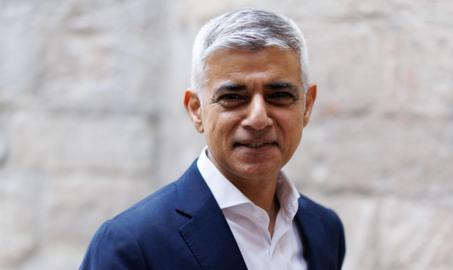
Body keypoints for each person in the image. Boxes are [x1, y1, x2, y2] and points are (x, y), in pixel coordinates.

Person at [80, 8, 345, 270]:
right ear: (196, 110)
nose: (258, 118)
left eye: (279, 95)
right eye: (232, 97)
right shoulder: (131, 245)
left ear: (307, 106)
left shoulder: (323, 230)